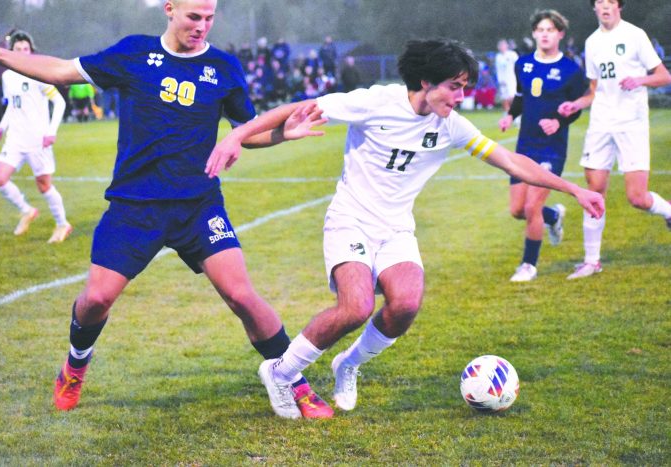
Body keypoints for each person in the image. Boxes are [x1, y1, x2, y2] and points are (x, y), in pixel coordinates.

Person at [0, 0, 332, 420]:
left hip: (197, 205)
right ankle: (74, 365)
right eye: (194, 16)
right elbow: (60, 70)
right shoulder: (134, 53)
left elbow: (245, 134)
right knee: (96, 299)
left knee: (242, 295)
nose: (202, 26)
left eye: (210, 17)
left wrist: (282, 135)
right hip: (134, 206)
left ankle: (293, 380)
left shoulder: (224, 67)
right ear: (170, 9)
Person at [207, 39, 605, 414]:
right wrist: (238, 136)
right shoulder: (377, 102)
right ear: (427, 82)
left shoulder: (452, 125)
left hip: (396, 228)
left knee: (406, 304)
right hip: (351, 220)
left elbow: (514, 162)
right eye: (454, 86)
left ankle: (348, 364)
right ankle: (280, 372)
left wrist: (573, 190)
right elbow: (301, 105)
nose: (461, 97)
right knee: (356, 307)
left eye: (465, 87)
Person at [559, 0, 671, 279]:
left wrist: (639, 80)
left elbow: (663, 76)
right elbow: (594, 90)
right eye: (599, 2)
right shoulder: (592, 41)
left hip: (631, 124)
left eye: (610, 1)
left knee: (637, 197)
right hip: (600, 123)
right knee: (593, 190)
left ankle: (668, 211)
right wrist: (576, 104)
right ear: (594, 8)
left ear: (619, 6)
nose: (605, 6)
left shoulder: (635, 35)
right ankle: (591, 261)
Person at [498, 10, 586, 282]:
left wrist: (560, 121)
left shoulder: (571, 70)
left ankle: (528, 265)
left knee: (531, 207)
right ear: (534, 33)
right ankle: (554, 216)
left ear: (560, 34)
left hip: (552, 148)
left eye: (551, 29)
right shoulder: (523, 64)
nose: (545, 34)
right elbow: (522, 97)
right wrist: (510, 115)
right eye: (540, 29)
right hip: (525, 145)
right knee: (517, 210)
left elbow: (577, 108)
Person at [0, 30, 72, 243]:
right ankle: (27, 210)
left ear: (31, 51)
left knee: (44, 185)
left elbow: (60, 102)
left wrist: (51, 132)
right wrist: (1, 126)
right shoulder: (8, 77)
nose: (22, 52)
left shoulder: (38, 74)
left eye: (25, 49)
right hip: (15, 139)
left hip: (38, 139)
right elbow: (12, 105)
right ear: (12, 52)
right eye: (18, 50)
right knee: (0, 180)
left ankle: (63, 224)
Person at [494, 38, 519, 113]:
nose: (502, 47)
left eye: (503, 45)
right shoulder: (498, 57)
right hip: (502, 81)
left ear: (506, 46)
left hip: (512, 79)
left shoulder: (512, 54)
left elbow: (518, 65)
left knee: (512, 97)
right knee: (504, 99)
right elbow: (498, 70)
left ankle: (515, 114)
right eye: (500, 45)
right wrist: (499, 80)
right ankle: (507, 114)